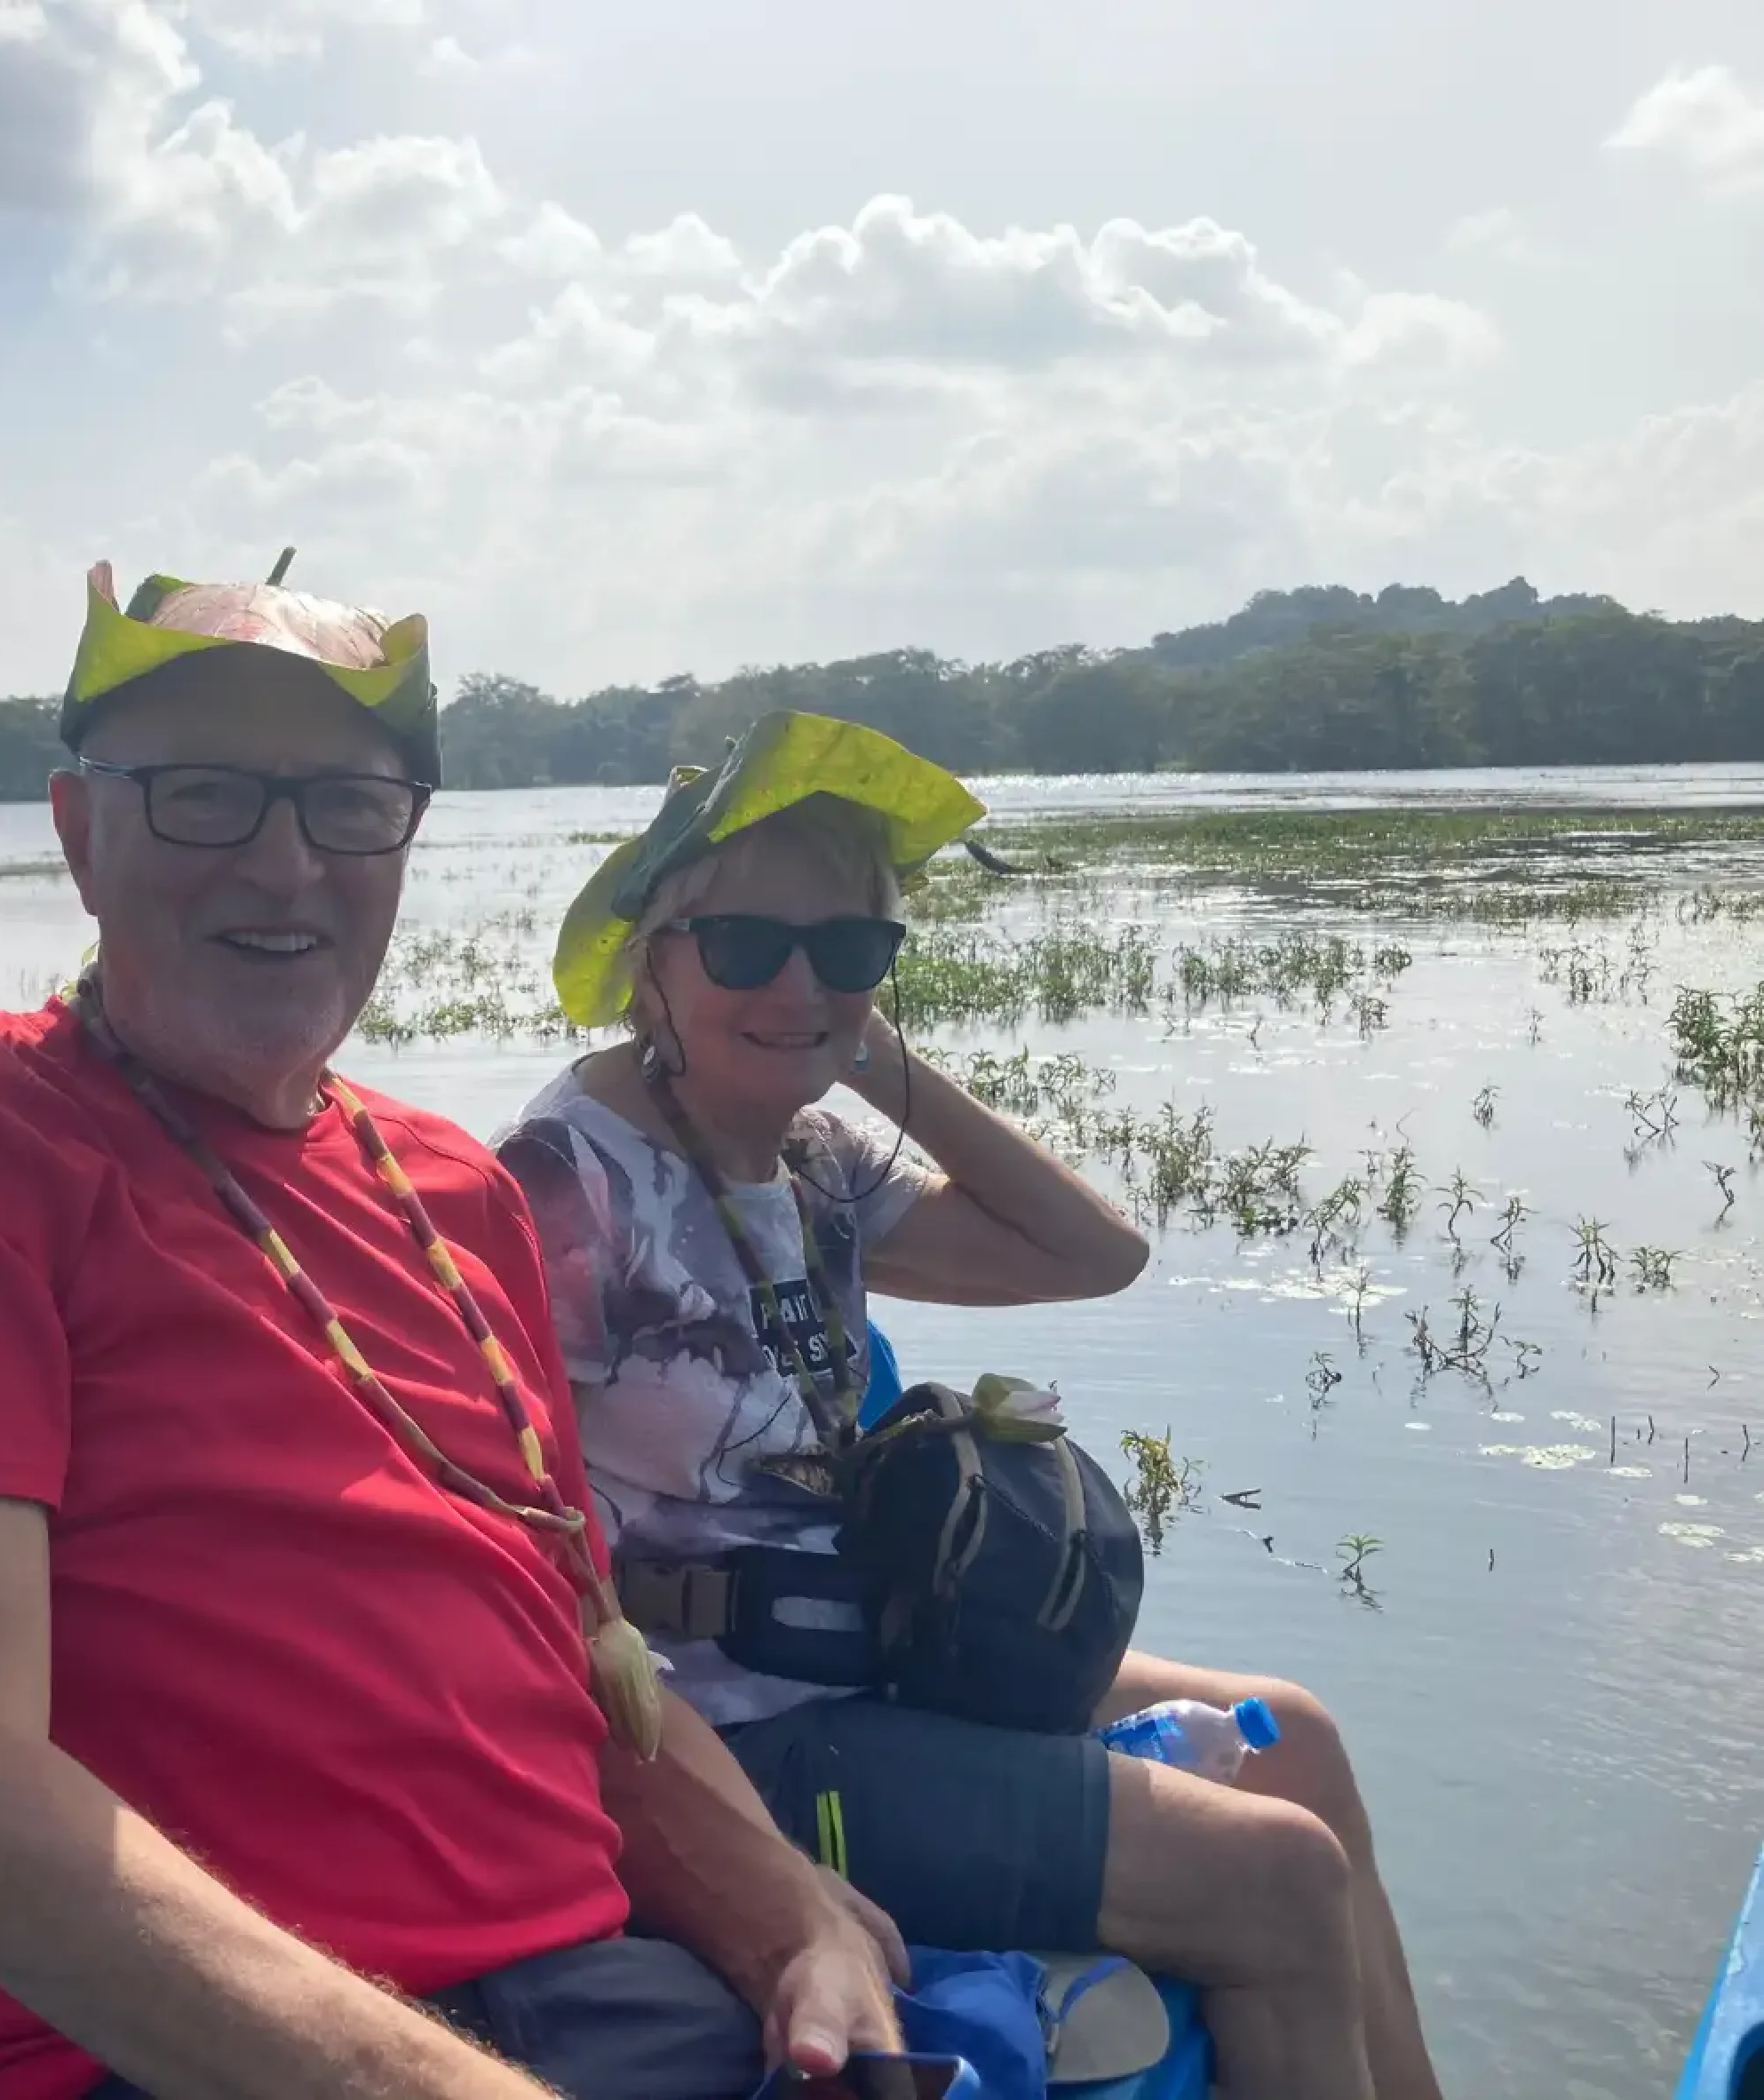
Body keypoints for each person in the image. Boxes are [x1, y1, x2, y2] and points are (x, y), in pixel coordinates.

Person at [0, 569, 910, 2100]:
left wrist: (784, 1911)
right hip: (101, 2055)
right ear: (80, 835)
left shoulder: (459, 1194)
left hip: (573, 1993)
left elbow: (594, 1671)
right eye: (206, 797)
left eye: (349, 806)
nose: (285, 866)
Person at [495, 712, 1444, 2100]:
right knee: (1275, 1878)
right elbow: (529, 1555)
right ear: (657, 957)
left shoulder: (810, 1155)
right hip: (738, 1735)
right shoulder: (563, 1184)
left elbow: (1092, 1255)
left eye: (849, 950)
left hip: (872, 1653)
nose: (795, 983)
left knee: (1296, 1733)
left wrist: (875, 1062)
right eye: (749, 947)